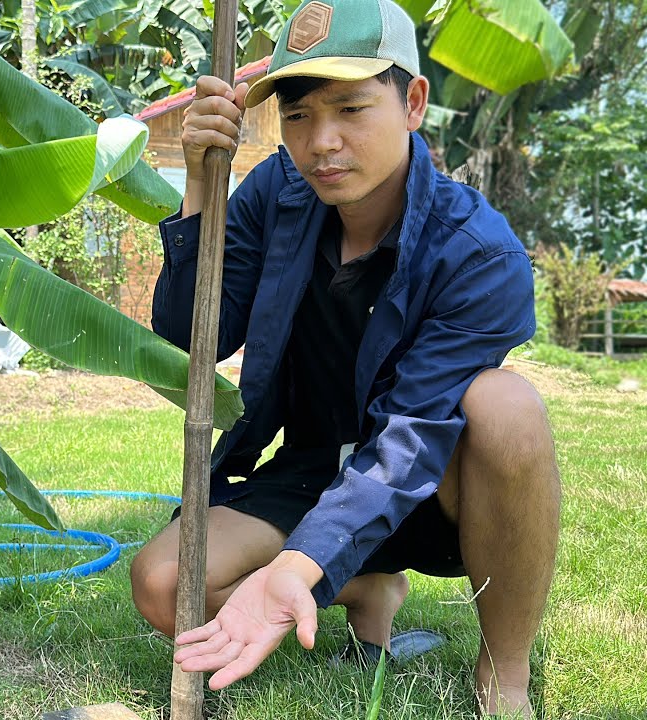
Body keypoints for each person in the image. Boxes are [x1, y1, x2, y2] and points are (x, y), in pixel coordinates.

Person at [128, 1, 561, 716]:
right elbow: (192, 334)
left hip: (428, 488)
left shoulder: (479, 253)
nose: (321, 142)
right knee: (164, 584)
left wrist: (298, 563)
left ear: (412, 103)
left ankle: (504, 670)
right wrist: (202, 184)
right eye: (298, 116)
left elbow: (411, 437)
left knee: (507, 405)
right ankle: (365, 586)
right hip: (311, 470)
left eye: (352, 108)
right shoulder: (276, 192)